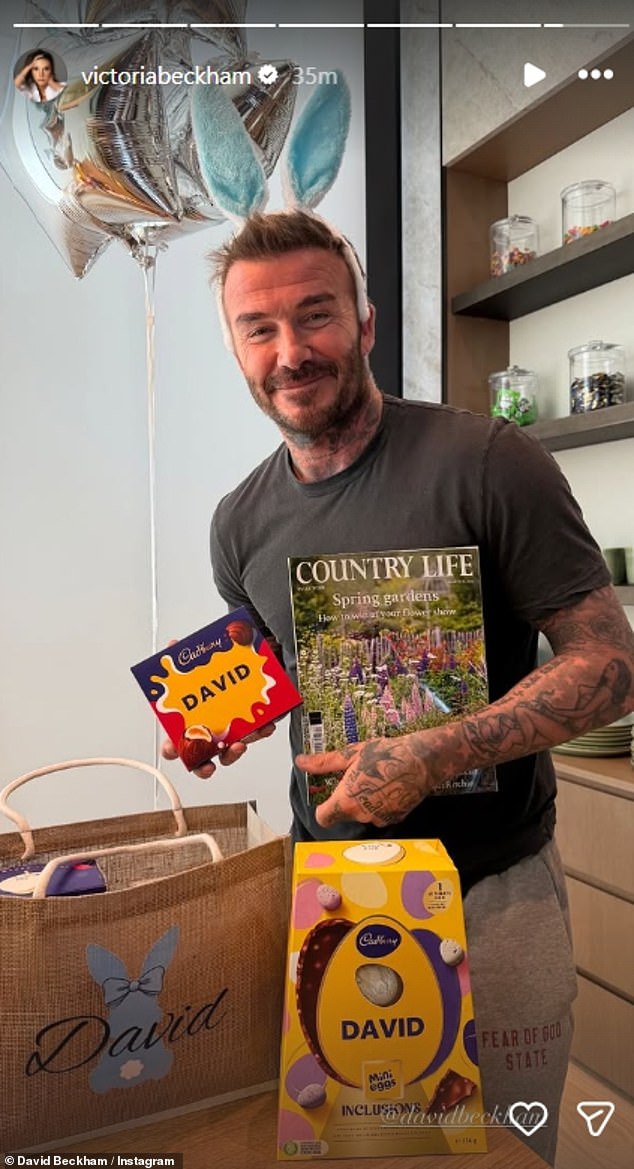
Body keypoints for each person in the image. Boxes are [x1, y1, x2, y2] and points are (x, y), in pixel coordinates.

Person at [163, 209, 634, 1163]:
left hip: (493, 894)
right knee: (367, 1152)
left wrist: (438, 748)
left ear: (367, 323)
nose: (291, 350)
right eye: (260, 328)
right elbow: (277, 675)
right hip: (330, 893)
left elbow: (610, 668)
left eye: (316, 315)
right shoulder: (237, 523)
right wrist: (224, 723)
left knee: (505, 1148)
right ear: (235, 349)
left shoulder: (491, 461)